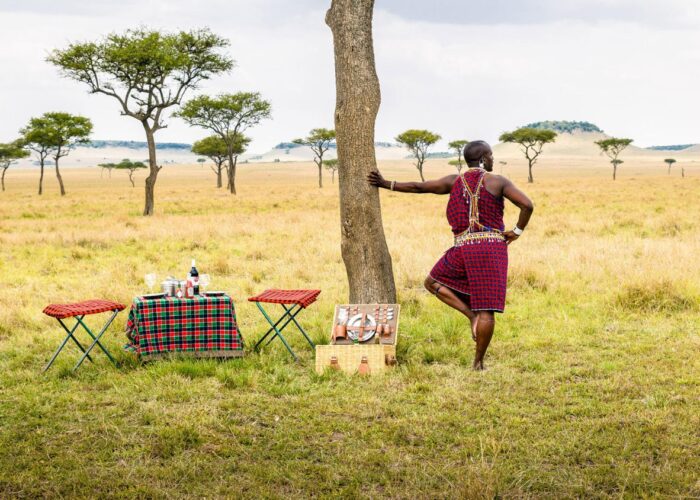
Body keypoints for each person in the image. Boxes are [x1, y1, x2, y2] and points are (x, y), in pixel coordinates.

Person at [368, 140, 533, 370]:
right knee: (486, 309)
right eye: (491, 155)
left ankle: (470, 316)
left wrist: (386, 184)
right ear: (484, 159)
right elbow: (527, 205)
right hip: (492, 249)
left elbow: (419, 187)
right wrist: (515, 232)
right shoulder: (498, 181)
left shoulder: (453, 181)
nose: (493, 159)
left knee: (432, 282)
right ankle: (477, 362)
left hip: (463, 247)